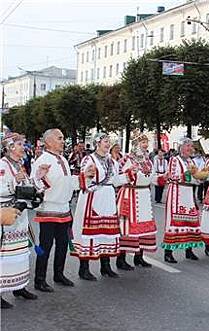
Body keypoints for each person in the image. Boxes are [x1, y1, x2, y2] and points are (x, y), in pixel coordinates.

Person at [31, 129, 95, 292]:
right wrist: (40, 176)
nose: (63, 141)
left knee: (63, 244)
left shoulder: (63, 159)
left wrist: (84, 176)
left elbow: (68, 182)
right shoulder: (42, 160)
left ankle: (58, 275)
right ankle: (40, 279)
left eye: (63, 138)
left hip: (65, 209)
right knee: (45, 245)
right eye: (60, 138)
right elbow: (35, 185)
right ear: (49, 142)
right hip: (49, 210)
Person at [70, 133, 133, 280]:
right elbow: (85, 178)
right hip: (93, 197)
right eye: (105, 141)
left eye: (109, 141)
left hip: (108, 198)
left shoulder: (112, 161)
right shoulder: (88, 159)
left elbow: (115, 180)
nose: (108, 143)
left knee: (107, 234)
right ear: (97, 143)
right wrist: (89, 177)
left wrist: (129, 175)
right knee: (89, 233)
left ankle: (105, 266)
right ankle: (83, 269)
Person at [0, 133, 45, 308]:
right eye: (19, 144)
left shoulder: (18, 164)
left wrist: (38, 177)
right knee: (5, 256)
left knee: (20, 254)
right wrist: (13, 181)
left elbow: (25, 186)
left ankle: (19, 287)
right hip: (7, 216)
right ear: (10, 147)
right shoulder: (2, 165)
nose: (23, 147)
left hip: (20, 215)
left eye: (23, 144)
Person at [116, 133, 158, 269]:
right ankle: (121, 258)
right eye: (142, 142)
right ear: (135, 144)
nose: (145, 144)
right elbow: (117, 175)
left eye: (146, 142)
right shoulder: (126, 159)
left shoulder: (148, 160)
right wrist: (129, 173)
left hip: (144, 194)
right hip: (130, 194)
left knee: (143, 227)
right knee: (126, 227)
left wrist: (163, 178)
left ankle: (139, 257)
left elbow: (152, 177)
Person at [162, 138, 204, 263]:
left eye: (191, 146)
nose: (190, 148)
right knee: (174, 222)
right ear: (181, 147)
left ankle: (189, 250)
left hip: (188, 193)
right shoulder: (174, 160)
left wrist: (201, 177)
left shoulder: (191, 161)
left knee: (190, 221)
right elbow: (172, 177)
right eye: (188, 146)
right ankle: (168, 252)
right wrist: (187, 174)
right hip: (177, 193)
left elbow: (196, 178)